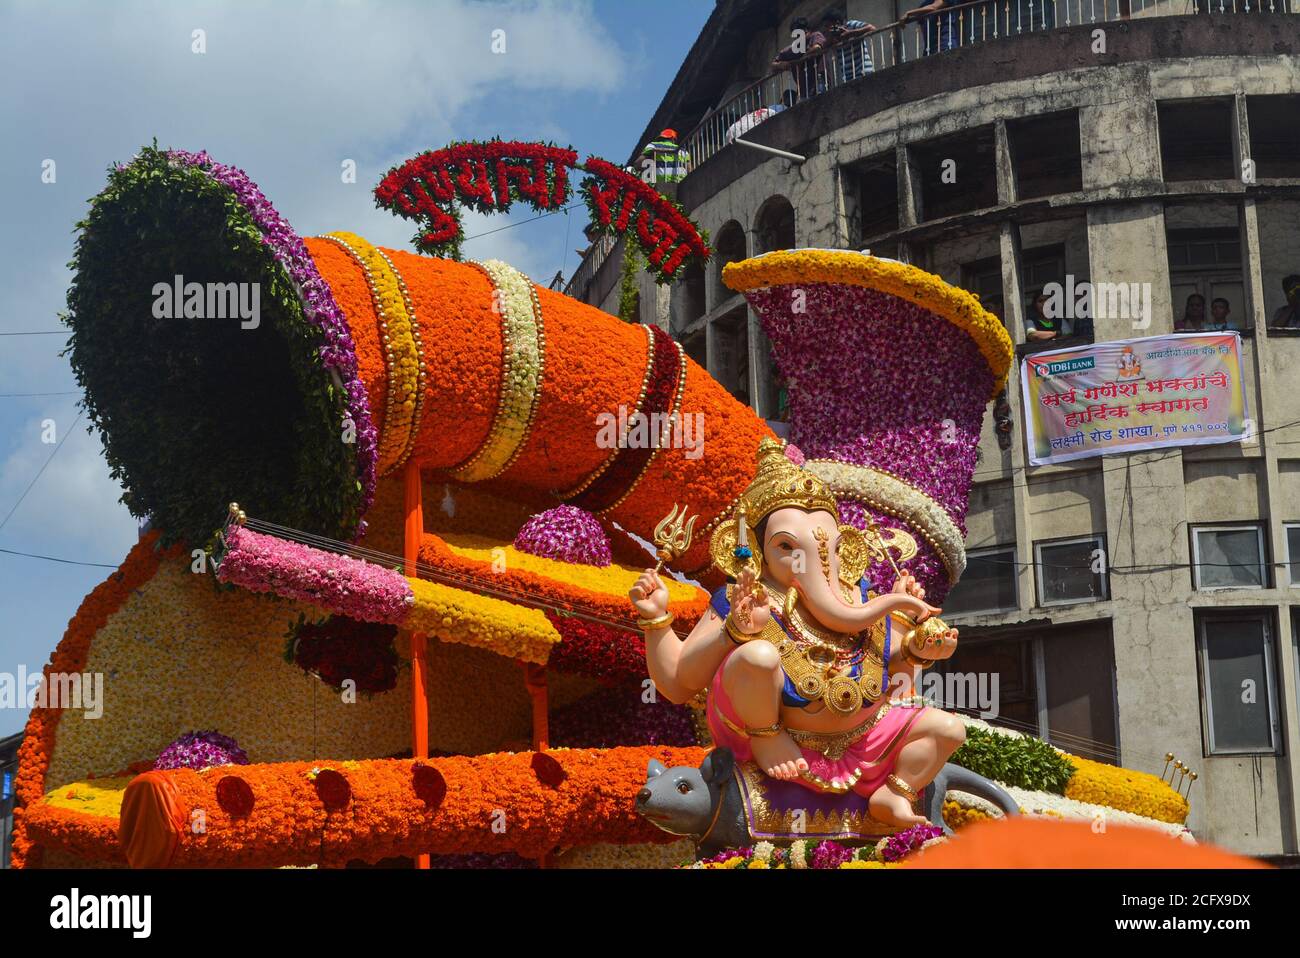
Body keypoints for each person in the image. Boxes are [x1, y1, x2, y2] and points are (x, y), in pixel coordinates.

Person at [772, 16, 828, 101]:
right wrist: (781, 64)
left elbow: (817, 48)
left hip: (820, 83)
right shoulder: (792, 49)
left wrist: (801, 60)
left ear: (806, 30)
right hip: (803, 91)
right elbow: (773, 65)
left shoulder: (815, 36)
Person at [820, 10, 875, 83]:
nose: (826, 29)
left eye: (828, 25)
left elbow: (872, 28)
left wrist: (850, 33)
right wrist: (831, 39)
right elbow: (822, 48)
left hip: (864, 72)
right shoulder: (832, 36)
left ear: (837, 23)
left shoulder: (851, 25)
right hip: (848, 78)